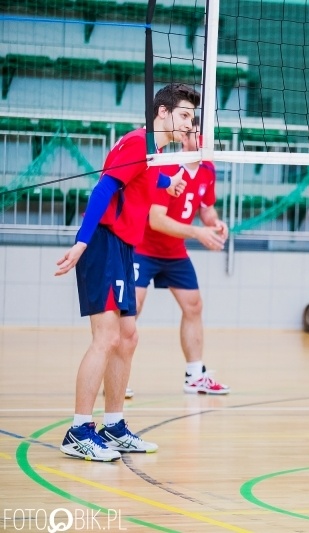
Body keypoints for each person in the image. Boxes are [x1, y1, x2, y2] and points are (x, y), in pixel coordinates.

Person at [55, 83, 199, 461]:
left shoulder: (154, 154)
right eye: (184, 114)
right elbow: (104, 190)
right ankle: (79, 431)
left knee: (127, 337)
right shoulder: (139, 142)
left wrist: (171, 183)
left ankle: (114, 425)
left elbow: (150, 180)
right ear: (163, 112)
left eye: (192, 117)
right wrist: (82, 242)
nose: (189, 123)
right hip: (102, 243)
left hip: (123, 248)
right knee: (105, 338)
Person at [131, 117, 230, 397]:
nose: (202, 141)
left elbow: (206, 208)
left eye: (205, 136)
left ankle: (195, 375)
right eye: (197, 135)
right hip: (144, 248)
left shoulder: (208, 169)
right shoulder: (169, 168)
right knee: (131, 310)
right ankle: (116, 374)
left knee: (194, 306)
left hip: (174, 252)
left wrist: (215, 224)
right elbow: (156, 221)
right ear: (185, 137)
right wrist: (198, 234)